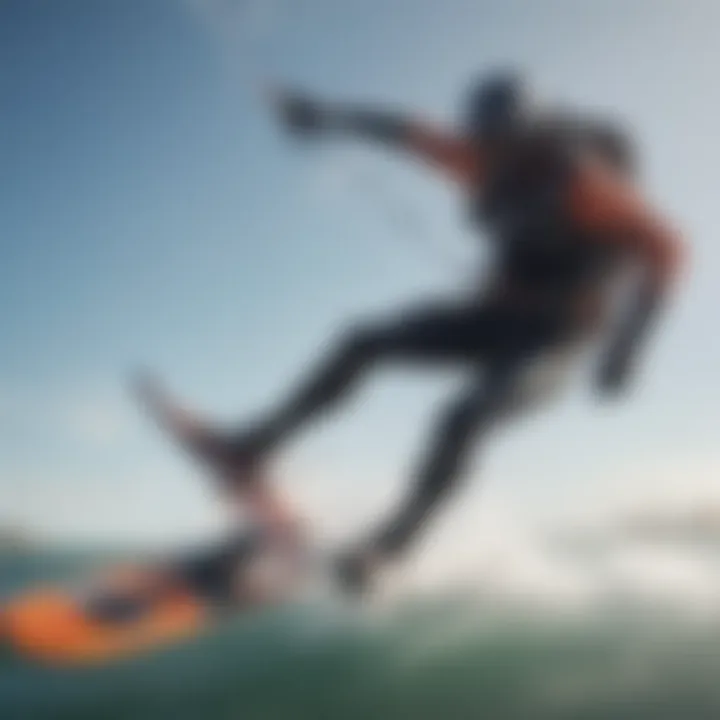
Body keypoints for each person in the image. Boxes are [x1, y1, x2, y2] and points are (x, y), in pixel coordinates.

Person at [140, 71, 686, 595]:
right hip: (498, 317)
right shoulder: (473, 158)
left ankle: (389, 549)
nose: (495, 154)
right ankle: (255, 446)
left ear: (537, 133)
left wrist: (629, 349)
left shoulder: (584, 183)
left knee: (463, 417)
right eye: (487, 141)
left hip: (559, 339)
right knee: (362, 342)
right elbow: (401, 130)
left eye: (509, 142)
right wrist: (321, 115)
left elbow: (666, 248)